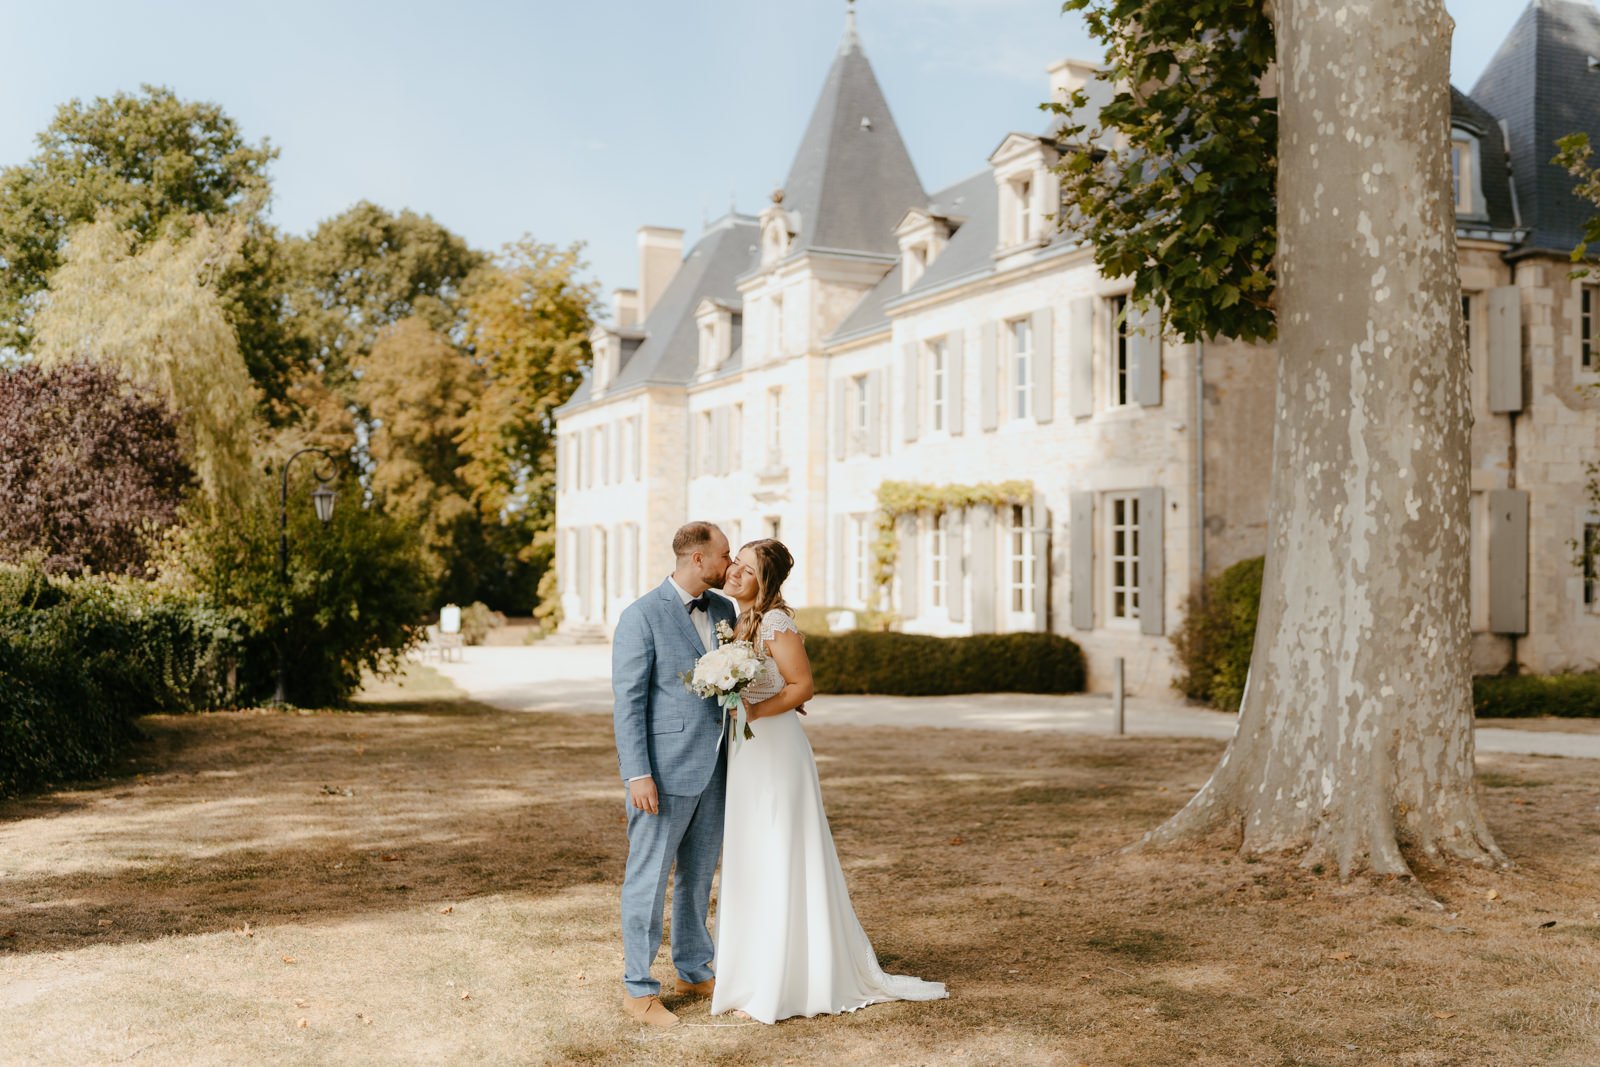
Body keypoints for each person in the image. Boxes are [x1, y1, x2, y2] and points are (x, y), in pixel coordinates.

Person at [711, 538, 948, 1023]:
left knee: (781, 849)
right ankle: (755, 972)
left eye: (747, 569)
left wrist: (752, 707)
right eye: (736, 562)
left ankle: (791, 978)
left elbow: (804, 687)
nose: (734, 571)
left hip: (776, 751)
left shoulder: (775, 622)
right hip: (749, 751)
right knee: (754, 850)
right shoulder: (739, 622)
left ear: (765, 582)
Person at [612, 521, 737, 1028]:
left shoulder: (725, 610)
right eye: (724, 556)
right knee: (648, 877)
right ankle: (638, 989)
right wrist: (637, 773)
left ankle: (692, 968)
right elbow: (629, 701)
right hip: (661, 775)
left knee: (698, 877)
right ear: (698, 559)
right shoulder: (640, 616)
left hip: (719, 766)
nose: (731, 565)